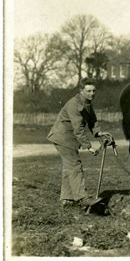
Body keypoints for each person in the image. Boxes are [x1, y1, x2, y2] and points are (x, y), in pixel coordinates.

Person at [47, 77, 112, 208]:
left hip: (69, 138)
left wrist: (98, 133)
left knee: (69, 167)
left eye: (94, 91)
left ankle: (67, 199)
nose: (92, 94)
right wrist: (89, 147)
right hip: (62, 137)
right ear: (81, 90)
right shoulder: (74, 104)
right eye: (88, 91)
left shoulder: (87, 103)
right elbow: (78, 129)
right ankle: (82, 198)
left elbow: (92, 121)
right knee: (75, 165)